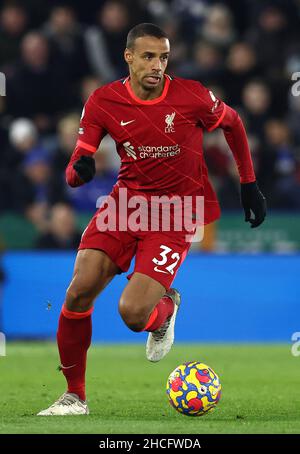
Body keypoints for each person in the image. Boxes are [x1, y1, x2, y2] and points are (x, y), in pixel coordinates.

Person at [37, 23, 266, 416]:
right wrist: (82, 168)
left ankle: (165, 309)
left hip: (174, 214)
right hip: (126, 206)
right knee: (78, 291)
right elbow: (75, 167)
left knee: (132, 314)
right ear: (128, 57)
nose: (157, 65)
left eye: (163, 57)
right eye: (148, 56)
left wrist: (249, 183)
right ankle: (75, 396)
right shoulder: (103, 101)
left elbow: (233, 123)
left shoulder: (192, 96)